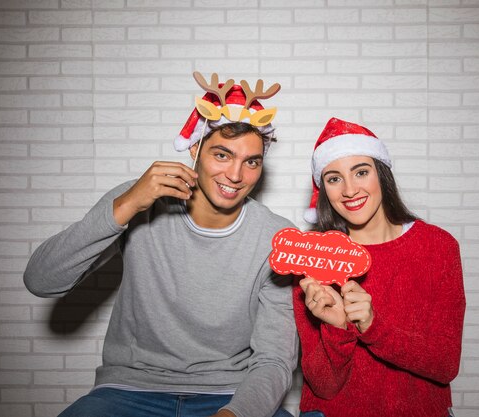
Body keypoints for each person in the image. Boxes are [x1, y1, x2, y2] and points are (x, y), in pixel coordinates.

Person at [23, 72, 298, 417]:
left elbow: (274, 358)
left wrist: (235, 414)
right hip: (130, 390)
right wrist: (126, 206)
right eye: (223, 155)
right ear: (195, 149)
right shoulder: (139, 202)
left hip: (231, 393)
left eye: (251, 162)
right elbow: (40, 280)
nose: (236, 175)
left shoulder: (278, 236)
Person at [294, 117, 466, 417]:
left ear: (381, 174)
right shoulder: (312, 257)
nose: (349, 190)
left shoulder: (438, 247)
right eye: (334, 178)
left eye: (361, 172)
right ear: (324, 189)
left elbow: (445, 365)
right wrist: (337, 328)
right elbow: (323, 387)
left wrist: (373, 327)